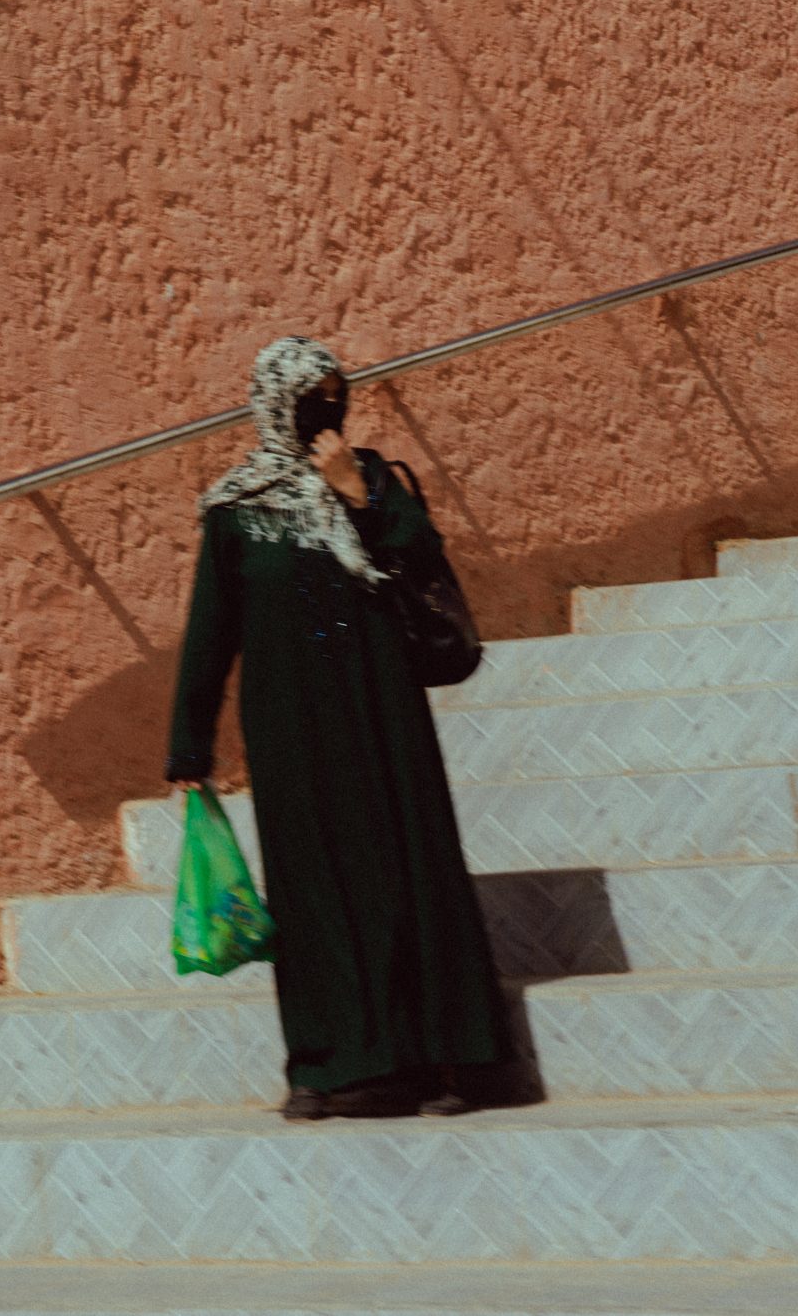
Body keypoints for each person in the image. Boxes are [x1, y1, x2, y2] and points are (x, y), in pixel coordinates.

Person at [165, 334, 516, 1121]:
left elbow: (421, 557)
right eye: (311, 397)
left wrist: (358, 493)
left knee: (411, 869)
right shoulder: (235, 510)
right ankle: (328, 1066)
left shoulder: (376, 480)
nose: (328, 410)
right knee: (313, 889)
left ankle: (451, 1061)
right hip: (290, 730)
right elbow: (211, 629)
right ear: (275, 403)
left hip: (382, 711)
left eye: (337, 393)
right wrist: (190, 742)